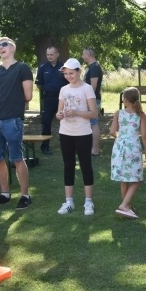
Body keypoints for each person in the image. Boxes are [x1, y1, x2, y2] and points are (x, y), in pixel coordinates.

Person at [0, 37, 34, 210]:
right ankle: (5, 194)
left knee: (16, 158)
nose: (1, 47)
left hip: (12, 119)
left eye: (4, 44)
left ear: (13, 48)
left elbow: (28, 96)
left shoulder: (22, 68)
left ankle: (25, 195)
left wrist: (9, 101)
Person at [56, 58, 99, 216]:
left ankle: (88, 202)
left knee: (85, 166)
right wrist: (60, 114)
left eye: (71, 73)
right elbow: (58, 112)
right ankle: (69, 202)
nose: (68, 76)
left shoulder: (87, 88)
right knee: (68, 166)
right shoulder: (63, 89)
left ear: (79, 72)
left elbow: (93, 113)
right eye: (66, 74)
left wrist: (75, 112)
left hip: (82, 133)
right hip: (65, 132)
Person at [110, 87, 146, 219]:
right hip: (133, 148)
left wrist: (120, 138)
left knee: (124, 178)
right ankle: (124, 205)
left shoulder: (118, 113)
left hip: (119, 147)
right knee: (136, 179)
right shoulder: (141, 116)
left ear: (125, 100)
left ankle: (126, 206)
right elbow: (144, 135)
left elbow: (112, 131)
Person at [36, 46, 67, 155]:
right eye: (48, 54)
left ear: (57, 54)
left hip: (63, 98)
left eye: (51, 54)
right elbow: (39, 84)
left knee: (67, 120)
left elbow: (69, 81)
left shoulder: (64, 67)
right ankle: (45, 146)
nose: (49, 56)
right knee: (46, 122)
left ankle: (69, 146)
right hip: (48, 98)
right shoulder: (43, 67)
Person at [82, 47, 104, 156]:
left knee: (93, 123)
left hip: (93, 100)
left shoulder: (94, 67)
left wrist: (87, 100)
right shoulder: (91, 67)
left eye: (83, 54)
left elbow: (93, 86)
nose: (82, 56)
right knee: (90, 124)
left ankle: (95, 150)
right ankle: (90, 148)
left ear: (89, 55)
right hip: (91, 99)